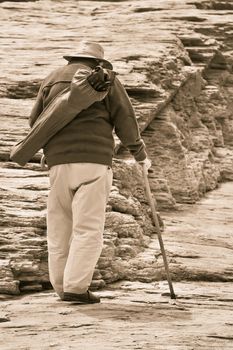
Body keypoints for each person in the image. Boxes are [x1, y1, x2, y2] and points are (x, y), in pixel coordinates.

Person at [29, 41, 151, 304]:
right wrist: (140, 154)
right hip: (94, 162)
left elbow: (36, 122)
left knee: (60, 226)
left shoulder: (51, 79)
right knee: (88, 227)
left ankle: (61, 286)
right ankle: (76, 287)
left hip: (59, 163)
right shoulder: (105, 78)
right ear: (98, 62)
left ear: (72, 57)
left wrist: (47, 153)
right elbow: (125, 120)